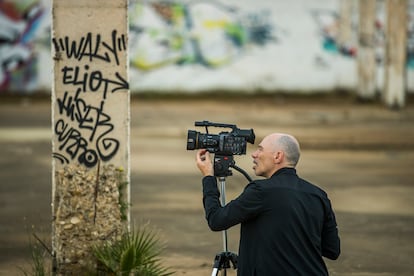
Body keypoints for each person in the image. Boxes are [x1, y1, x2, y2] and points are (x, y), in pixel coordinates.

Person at [195, 133, 340, 275]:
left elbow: (216, 220)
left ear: (278, 156)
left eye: (260, 149)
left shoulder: (261, 191)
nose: (254, 154)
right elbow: (332, 250)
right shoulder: (319, 195)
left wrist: (208, 176)